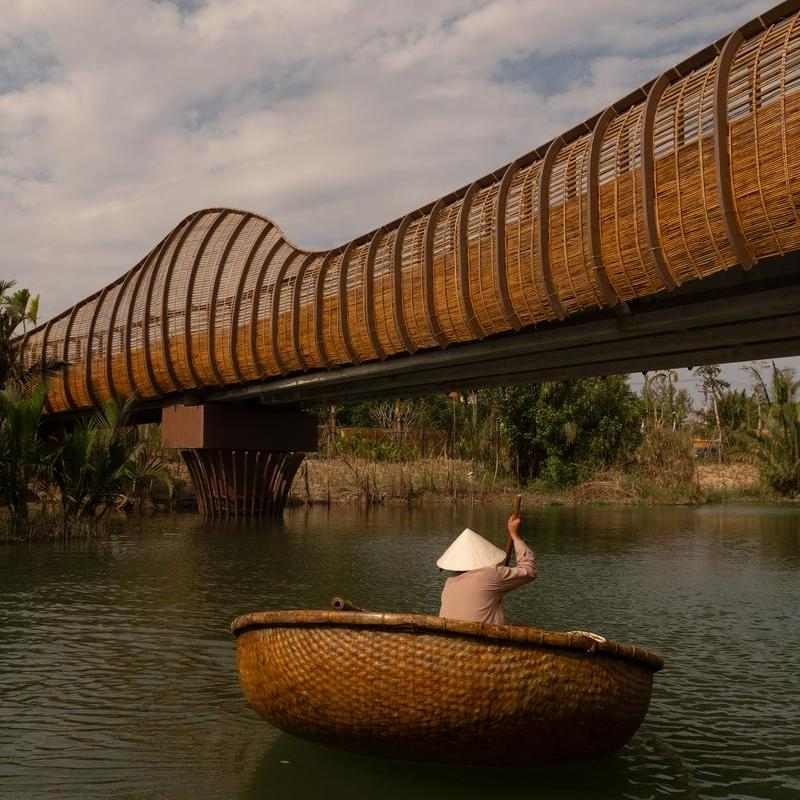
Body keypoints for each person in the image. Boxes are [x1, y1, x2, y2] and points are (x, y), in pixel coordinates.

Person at [437, 512, 537, 625]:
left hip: (452, 637)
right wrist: (515, 536)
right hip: (482, 638)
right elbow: (529, 571)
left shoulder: (449, 584)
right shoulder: (490, 574)